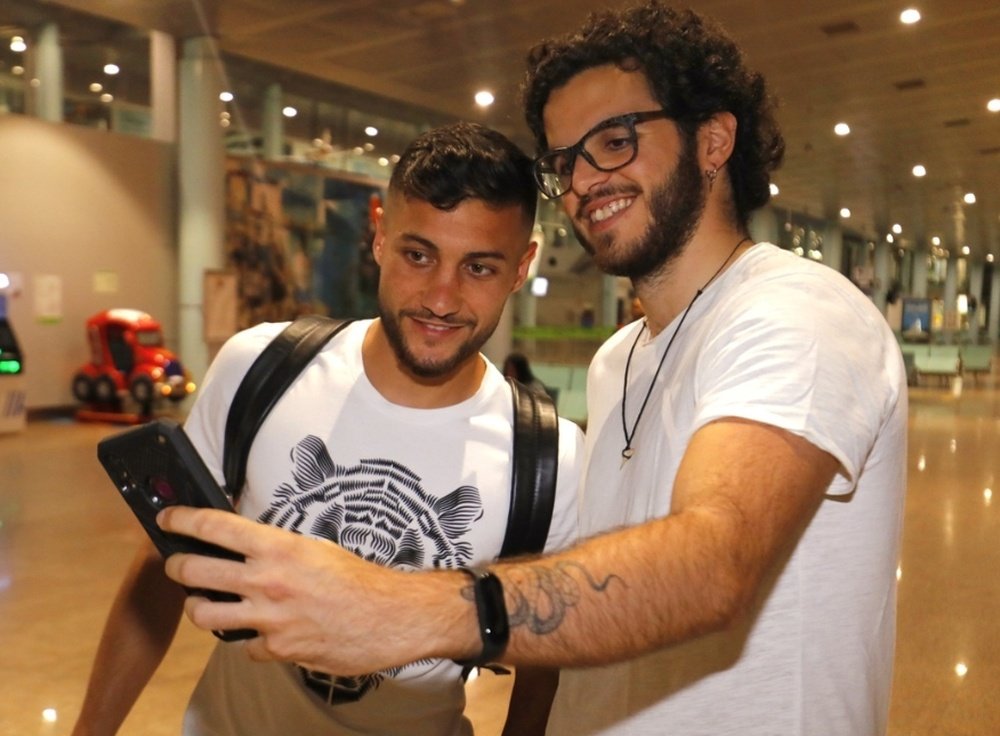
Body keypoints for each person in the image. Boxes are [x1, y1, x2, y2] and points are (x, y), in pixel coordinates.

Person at [155, 3, 907, 735]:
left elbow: (715, 563)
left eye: (615, 141)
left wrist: (400, 608)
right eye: (566, 159)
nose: (584, 181)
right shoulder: (621, 360)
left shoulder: (795, 311)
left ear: (713, 141)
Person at [71, 122, 584, 736]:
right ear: (378, 232)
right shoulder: (259, 369)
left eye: (478, 267)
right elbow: (162, 569)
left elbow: (543, 667)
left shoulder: (550, 459)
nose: (441, 299)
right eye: (417, 255)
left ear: (523, 265)